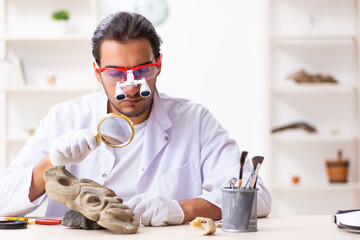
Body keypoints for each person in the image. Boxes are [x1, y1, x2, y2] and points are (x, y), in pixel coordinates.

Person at [0, 11, 271, 226]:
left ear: (159, 65)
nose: (130, 87)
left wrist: (183, 209)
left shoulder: (195, 121)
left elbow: (257, 197)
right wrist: (51, 164)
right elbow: (3, 200)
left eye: (142, 71)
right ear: (97, 71)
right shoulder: (65, 118)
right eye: (116, 73)